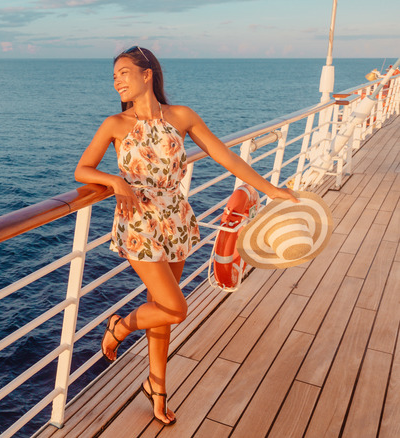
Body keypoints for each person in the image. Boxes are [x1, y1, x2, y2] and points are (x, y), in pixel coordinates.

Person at [73, 46, 298, 426]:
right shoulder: (114, 124)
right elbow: (82, 170)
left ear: (148, 74)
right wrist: (113, 180)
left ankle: (157, 389)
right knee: (175, 308)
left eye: (124, 72)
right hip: (139, 225)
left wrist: (270, 188)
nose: (117, 81)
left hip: (176, 219)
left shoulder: (181, 116)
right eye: (114, 76)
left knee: (162, 313)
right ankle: (120, 326)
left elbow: (225, 156)